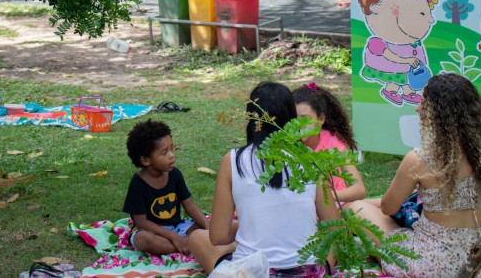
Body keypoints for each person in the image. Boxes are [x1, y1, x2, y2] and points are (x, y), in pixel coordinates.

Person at [349, 73, 481, 278]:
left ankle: (380, 256)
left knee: (355, 207)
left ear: (437, 112)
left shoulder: (420, 159)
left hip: (433, 267)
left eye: (423, 101)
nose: (417, 107)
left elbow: (388, 207)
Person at [188, 82, 338, 276]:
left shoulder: (232, 161)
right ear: (291, 119)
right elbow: (335, 227)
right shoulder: (311, 158)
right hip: (307, 271)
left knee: (197, 238)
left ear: (251, 119)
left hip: (252, 272)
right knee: (333, 241)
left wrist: (255, 224)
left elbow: (217, 236)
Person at [123, 119, 209, 255]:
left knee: (208, 224)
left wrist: (207, 226)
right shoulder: (138, 184)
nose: (171, 155)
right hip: (153, 232)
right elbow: (141, 222)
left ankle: (186, 243)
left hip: (179, 227)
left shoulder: (175, 174)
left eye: (172, 149)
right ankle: (191, 244)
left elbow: (190, 205)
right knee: (144, 240)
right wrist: (172, 236)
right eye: (164, 152)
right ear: (145, 160)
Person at [293, 82, 365, 206]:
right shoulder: (287, 145)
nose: (299, 125)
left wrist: (325, 197)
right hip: (302, 207)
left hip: (336, 203)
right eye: (294, 119)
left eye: (305, 119)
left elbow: (359, 189)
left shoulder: (332, 141)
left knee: (364, 207)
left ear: (321, 119)